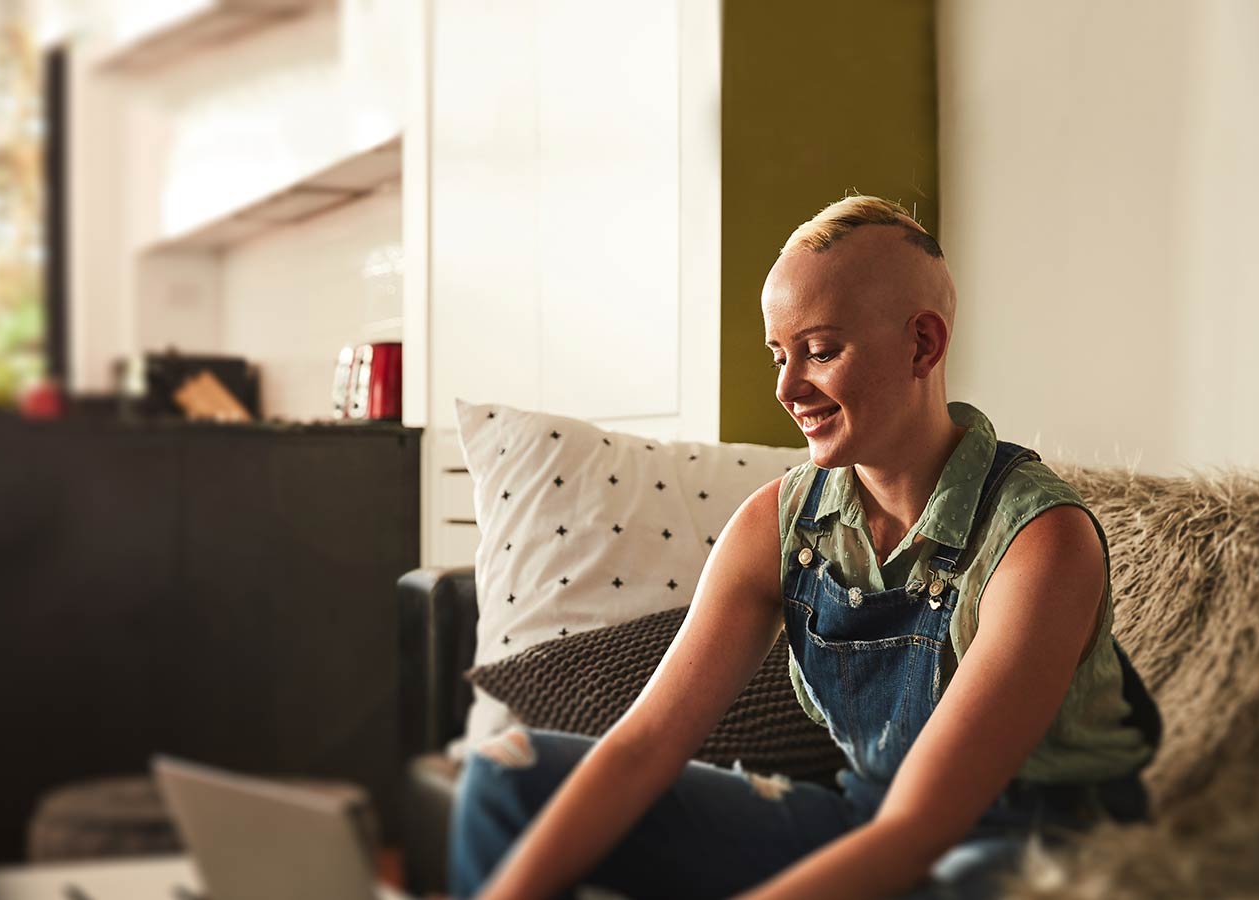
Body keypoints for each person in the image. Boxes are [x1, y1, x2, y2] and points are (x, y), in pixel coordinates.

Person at [447, 196, 1162, 900]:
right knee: (510, 772)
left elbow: (918, 832)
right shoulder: (781, 523)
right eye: (779, 356)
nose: (788, 388)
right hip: (869, 821)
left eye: (819, 351)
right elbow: (641, 751)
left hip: (1029, 859)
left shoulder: (1040, 540)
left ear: (923, 344)